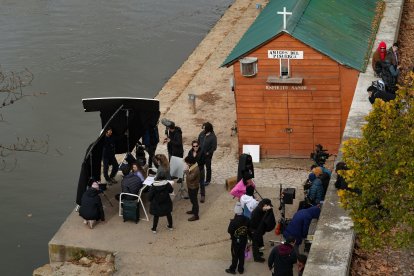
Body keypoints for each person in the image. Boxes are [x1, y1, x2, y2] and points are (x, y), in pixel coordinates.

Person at [225, 202, 250, 275]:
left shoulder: (233, 222)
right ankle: (241, 269)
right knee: (242, 255)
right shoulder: (247, 219)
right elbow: (248, 228)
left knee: (235, 255)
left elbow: (229, 231)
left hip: (235, 241)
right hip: (244, 240)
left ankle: (232, 269)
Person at [249, 198, 273, 262]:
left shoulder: (260, 206)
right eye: (267, 205)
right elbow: (261, 210)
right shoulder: (259, 210)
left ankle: (258, 253)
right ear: (265, 205)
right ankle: (257, 258)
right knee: (255, 243)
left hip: (256, 228)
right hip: (253, 229)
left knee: (257, 242)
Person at [184, 156, 200, 221]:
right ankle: (193, 211)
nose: (186, 164)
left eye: (187, 163)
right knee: (192, 200)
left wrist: (186, 171)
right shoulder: (193, 166)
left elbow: (190, 178)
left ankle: (196, 216)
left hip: (193, 187)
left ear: (190, 163)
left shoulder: (195, 169)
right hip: (191, 186)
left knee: (194, 201)